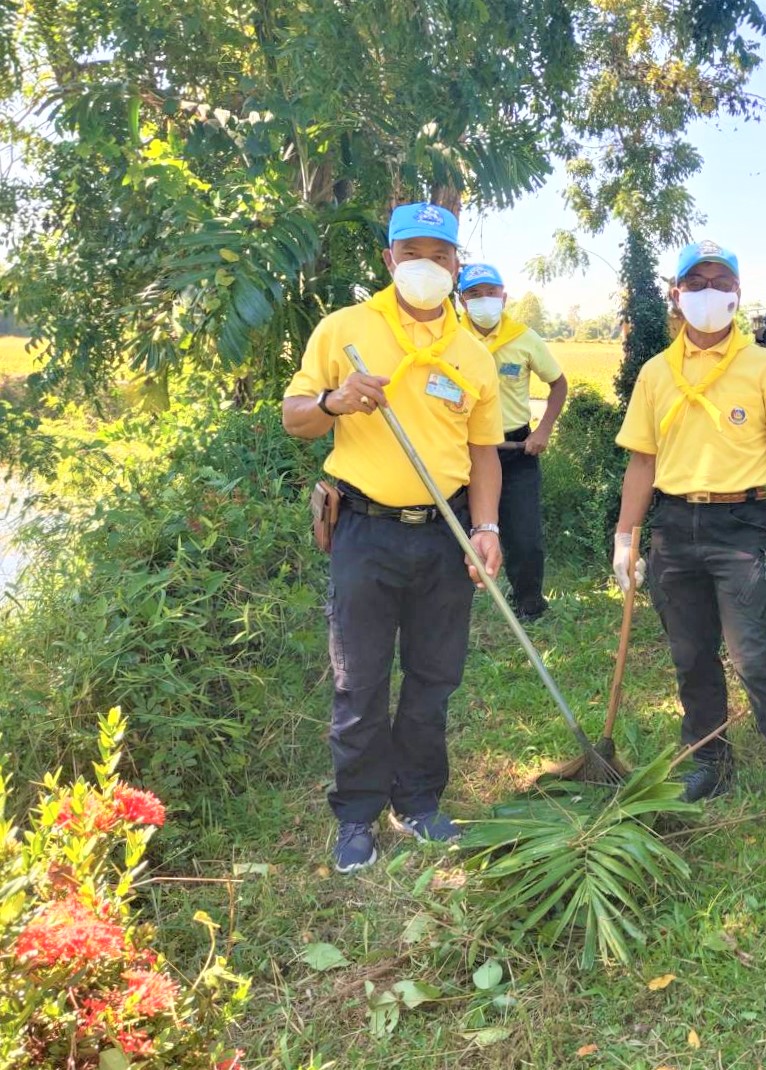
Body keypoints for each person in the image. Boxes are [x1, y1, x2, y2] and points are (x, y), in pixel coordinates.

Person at [282, 202, 505, 873]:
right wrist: (334, 403)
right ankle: (356, 815)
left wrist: (487, 527)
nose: (426, 267)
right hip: (364, 531)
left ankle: (418, 802)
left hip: (445, 534)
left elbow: (485, 452)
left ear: (456, 264)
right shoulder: (345, 330)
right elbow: (295, 418)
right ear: (388, 260)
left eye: (440, 256)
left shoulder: (470, 354)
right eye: (412, 254)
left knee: (434, 678)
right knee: (360, 679)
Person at [613, 240, 766, 842]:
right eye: (698, 281)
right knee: (690, 653)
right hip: (674, 527)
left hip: (740, 526)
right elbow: (640, 463)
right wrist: (625, 538)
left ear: (737, 292)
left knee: (754, 655)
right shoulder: (656, 373)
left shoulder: (763, 367)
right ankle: (710, 756)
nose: (711, 291)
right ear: (677, 294)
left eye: (722, 280)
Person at [457, 262, 568, 621]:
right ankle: (450, 605)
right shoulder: (450, 340)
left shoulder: (524, 338)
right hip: (461, 449)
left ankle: (530, 604)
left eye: (490, 292)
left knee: (524, 536)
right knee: (452, 532)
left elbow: (558, 384)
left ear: (504, 297)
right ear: (461, 300)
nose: (483, 300)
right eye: (474, 294)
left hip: (516, 450)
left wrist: (544, 430)